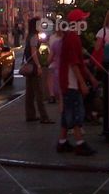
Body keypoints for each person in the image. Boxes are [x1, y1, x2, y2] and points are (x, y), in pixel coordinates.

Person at [56, 8, 98, 156]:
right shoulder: (73, 38)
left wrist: (88, 78)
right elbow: (74, 64)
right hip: (71, 82)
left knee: (68, 112)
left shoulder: (70, 36)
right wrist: (82, 83)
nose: (85, 22)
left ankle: (62, 141)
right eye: (83, 20)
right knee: (76, 112)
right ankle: (80, 143)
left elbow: (77, 62)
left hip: (68, 81)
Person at [23, 18, 52, 124]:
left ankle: (30, 115)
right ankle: (44, 116)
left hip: (29, 65)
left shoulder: (30, 36)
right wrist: (38, 66)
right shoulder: (34, 36)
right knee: (39, 92)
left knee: (30, 92)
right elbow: (33, 51)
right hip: (34, 66)